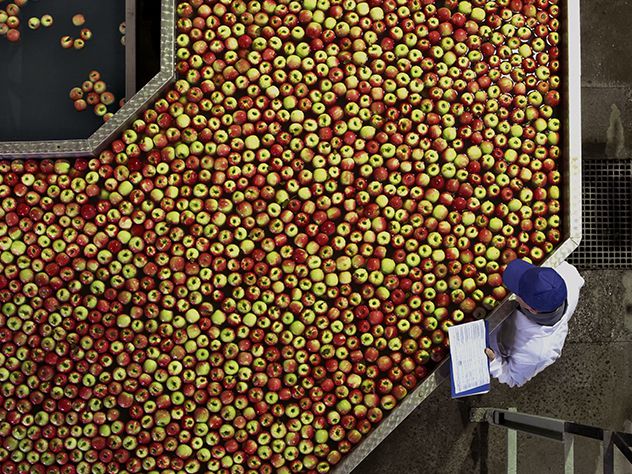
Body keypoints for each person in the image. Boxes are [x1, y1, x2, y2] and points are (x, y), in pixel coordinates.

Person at [485, 258, 585, 388]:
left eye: (517, 290)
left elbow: (512, 378)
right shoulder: (567, 273)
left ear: (532, 309)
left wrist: (493, 362)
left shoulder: (538, 352)